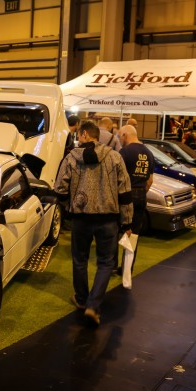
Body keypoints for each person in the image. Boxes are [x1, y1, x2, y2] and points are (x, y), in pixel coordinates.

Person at [54, 120, 133, 327]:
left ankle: (81, 299)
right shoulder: (115, 157)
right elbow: (125, 193)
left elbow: (60, 188)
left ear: (84, 135)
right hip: (108, 219)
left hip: (81, 218)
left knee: (79, 260)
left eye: (80, 135)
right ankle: (93, 305)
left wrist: (69, 208)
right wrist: (126, 222)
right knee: (106, 263)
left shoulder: (71, 158)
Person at [118, 125, 154, 273]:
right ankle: (127, 269)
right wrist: (141, 192)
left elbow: (117, 177)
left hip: (125, 195)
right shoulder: (149, 153)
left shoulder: (124, 152)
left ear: (125, 135)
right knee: (134, 234)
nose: (119, 140)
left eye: (120, 136)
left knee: (116, 230)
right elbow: (150, 180)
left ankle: (111, 264)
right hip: (141, 195)